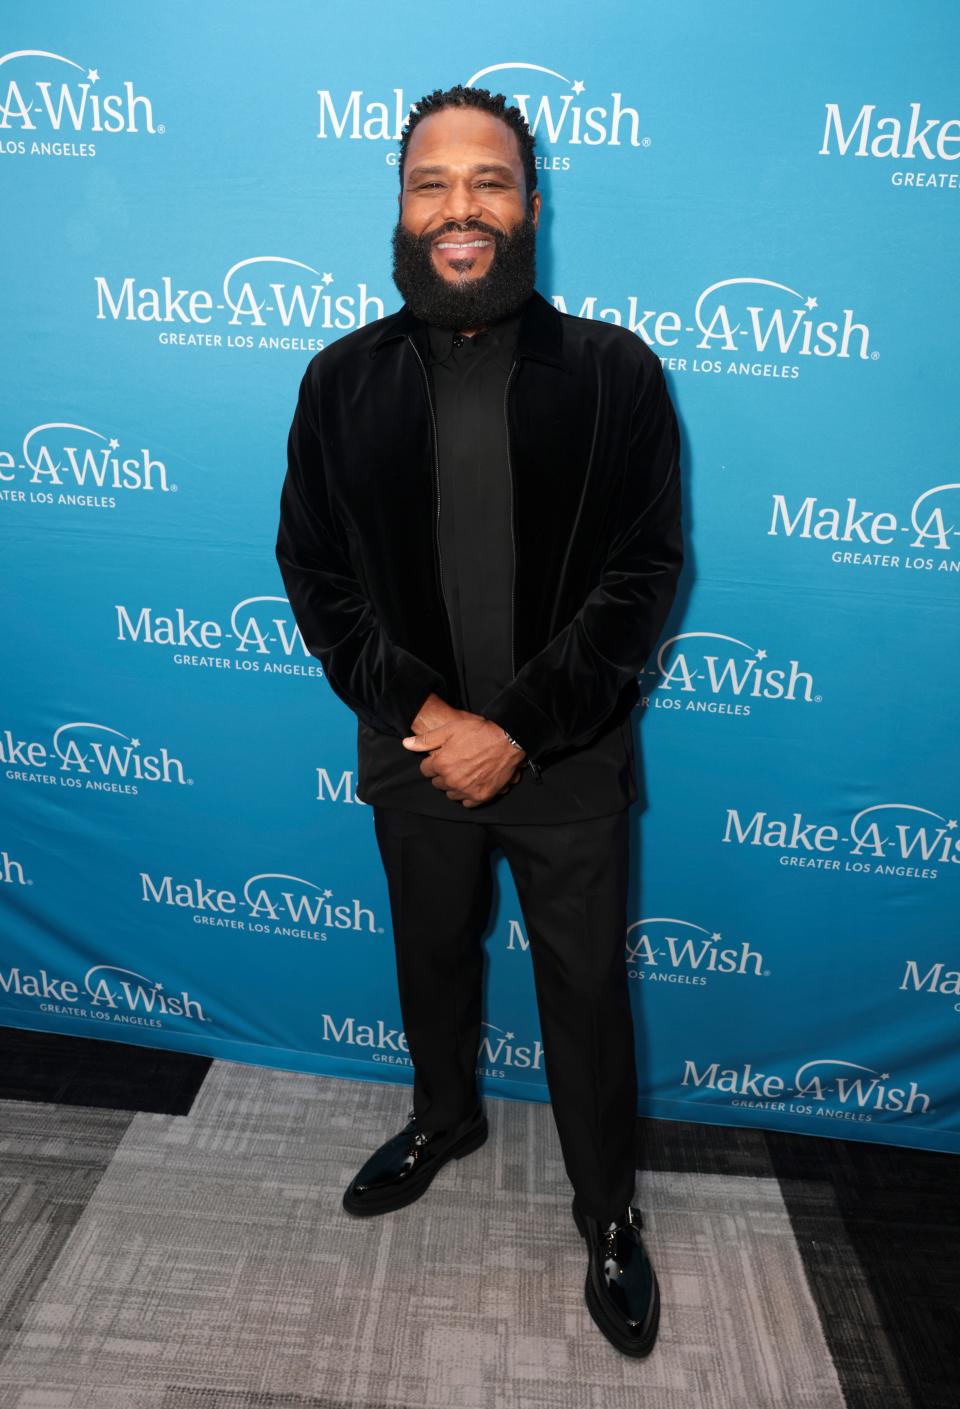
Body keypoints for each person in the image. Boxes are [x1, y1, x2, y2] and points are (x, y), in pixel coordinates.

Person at [275, 83, 683, 1358]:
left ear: (531, 206)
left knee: (584, 993)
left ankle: (606, 1207)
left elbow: (642, 576)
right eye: (433, 184)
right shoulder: (340, 379)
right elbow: (315, 573)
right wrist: (430, 715)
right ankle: (445, 1113)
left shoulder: (615, 371)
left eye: (488, 182)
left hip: (565, 761)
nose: (461, 209)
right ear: (401, 210)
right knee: (432, 958)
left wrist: (513, 726)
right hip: (411, 753)